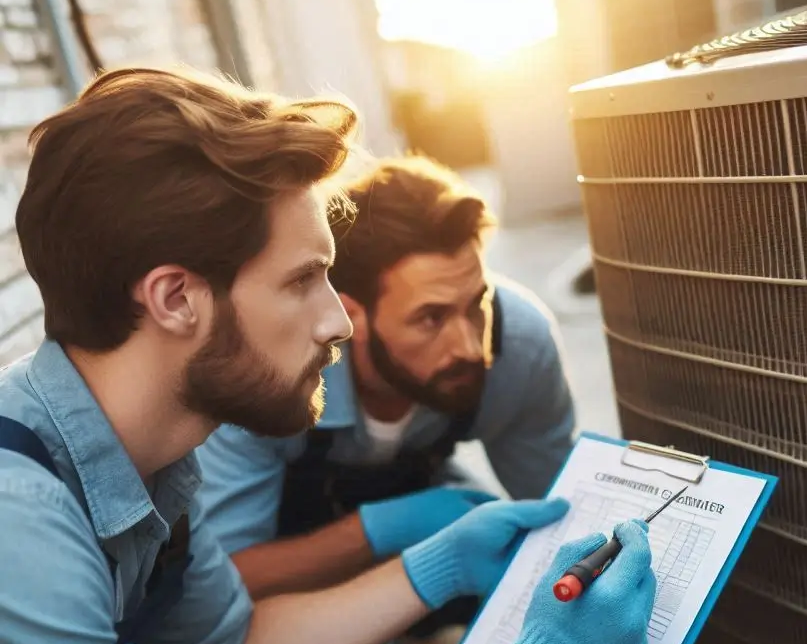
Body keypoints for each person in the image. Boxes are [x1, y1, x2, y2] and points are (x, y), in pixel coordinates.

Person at [0, 66, 656, 644]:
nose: (333, 324)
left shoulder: (148, 454)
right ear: (175, 299)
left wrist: (430, 568)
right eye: (305, 280)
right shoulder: (15, 526)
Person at [195, 155, 577, 604]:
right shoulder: (270, 369)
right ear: (350, 315)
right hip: (284, 554)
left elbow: (563, 513)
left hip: (424, 506)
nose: (470, 347)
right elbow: (220, 583)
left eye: (476, 304)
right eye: (430, 318)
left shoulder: (520, 347)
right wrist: (379, 530)